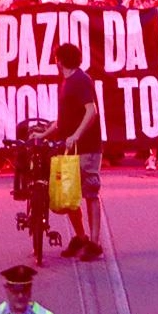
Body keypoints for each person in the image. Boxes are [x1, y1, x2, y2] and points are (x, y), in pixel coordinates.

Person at [30, 43, 106, 260]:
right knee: (69, 195)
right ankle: (81, 237)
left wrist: (77, 135)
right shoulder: (65, 82)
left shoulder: (81, 80)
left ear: (59, 60)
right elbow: (63, 119)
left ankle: (94, 242)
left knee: (90, 193)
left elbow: (91, 111)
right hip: (69, 148)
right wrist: (44, 134)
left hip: (86, 148)